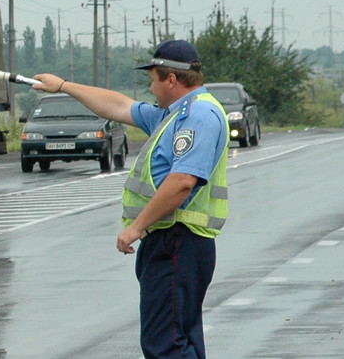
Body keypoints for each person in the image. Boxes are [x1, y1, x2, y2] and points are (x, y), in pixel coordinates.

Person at [32, 39, 229, 359]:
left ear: (172, 80)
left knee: (166, 344)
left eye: (153, 80)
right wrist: (64, 86)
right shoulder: (173, 115)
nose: (150, 88)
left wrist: (136, 227)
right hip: (175, 242)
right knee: (178, 339)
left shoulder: (197, 115)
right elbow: (117, 106)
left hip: (177, 239)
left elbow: (182, 182)